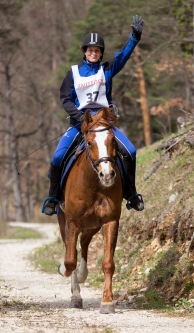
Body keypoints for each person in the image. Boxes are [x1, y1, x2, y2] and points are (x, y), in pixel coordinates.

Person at [42, 15, 144, 216]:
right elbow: (65, 98)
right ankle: (53, 198)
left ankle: (130, 193)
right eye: (90, 50)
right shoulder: (73, 73)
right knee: (57, 157)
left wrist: (135, 37)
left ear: (100, 53)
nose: (93, 53)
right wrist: (79, 117)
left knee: (130, 152)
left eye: (97, 50)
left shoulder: (106, 69)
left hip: (105, 123)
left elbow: (123, 56)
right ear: (84, 52)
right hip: (80, 124)